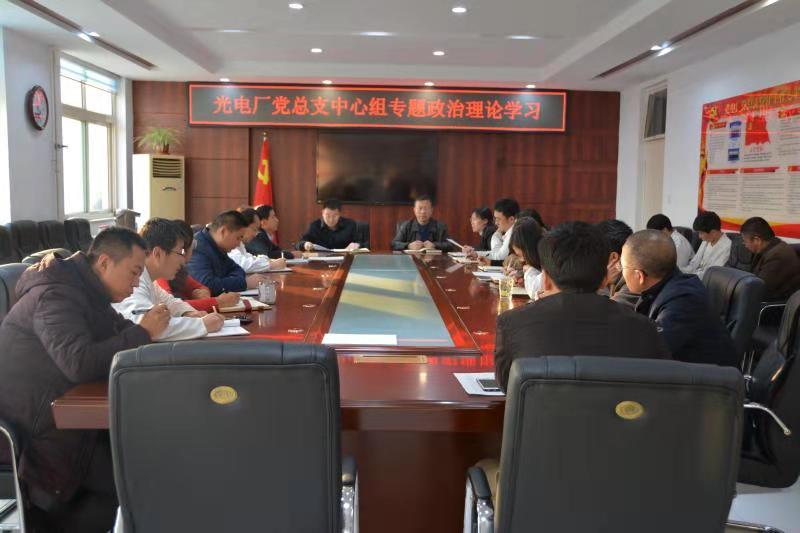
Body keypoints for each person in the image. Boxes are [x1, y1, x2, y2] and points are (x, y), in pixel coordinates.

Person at [0, 228, 170, 532]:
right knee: (141, 477)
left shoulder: (87, 291)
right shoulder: (56, 294)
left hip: (65, 417)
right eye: (133, 272)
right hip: (35, 431)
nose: (136, 283)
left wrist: (151, 341)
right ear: (104, 262)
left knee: (152, 454)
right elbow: (78, 363)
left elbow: (120, 331)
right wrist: (143, 332)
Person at [494, 221, 670, 391]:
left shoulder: (512, 323)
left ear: (545, 280)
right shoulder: (645, 329)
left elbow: (508, 388)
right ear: (604, 279)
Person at [622, 229, 737, 366]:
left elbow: (649, 353)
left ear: (639, 276)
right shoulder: (671, 284)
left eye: (622, 267)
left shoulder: (683, 302)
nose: (620, 271)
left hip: (709, 377)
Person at [114, 218, 225, 341]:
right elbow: (144, 324)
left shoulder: (148, 278)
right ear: (158, 254)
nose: (183, 261)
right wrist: (202, 325)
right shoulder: (133, 281)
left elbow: (170, 302)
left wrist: (188, 313)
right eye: (180, 252)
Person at [155, 220, 240, 312]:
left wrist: (199, 292)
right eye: (180, 251)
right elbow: (170, 306)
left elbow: (199, 287)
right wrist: (218, 302)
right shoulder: (161, 272)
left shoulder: (177, 269)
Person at [188, 210, 269, 295]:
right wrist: (244, 283)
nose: (238, 244)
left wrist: (226, 281)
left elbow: (237, 269)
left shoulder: (218, 246)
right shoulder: (197, 247)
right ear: (223, 232)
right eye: (238, 238)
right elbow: (207, 285)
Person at [740, 216, 800, 301]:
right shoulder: (770, 247)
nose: (744, 244)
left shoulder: (777, 256)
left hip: (776, 305)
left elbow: (758, 289)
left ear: (757, 240)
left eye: (745, 241)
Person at [230, 207, 287, 272]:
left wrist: (269, 261)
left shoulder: (240, 244)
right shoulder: (230, 243)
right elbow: (243, 265)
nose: (255, 234)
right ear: (243, 226)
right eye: (254, 229)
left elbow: (249, 258)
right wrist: (271, 265)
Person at [595, 219, 636, 306]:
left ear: (613, 257)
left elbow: (605, 310)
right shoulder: (619, 278)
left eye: (595, 253)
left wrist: (601, 282)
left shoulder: (634, 284)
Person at [298, 198, 363, 251]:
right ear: (322, 213)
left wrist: (357, 245)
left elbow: (363, 243)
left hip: (345, 259)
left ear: (340, 214)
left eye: (335, 216)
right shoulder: (314, 226)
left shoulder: (350, 225)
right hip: (321, 260)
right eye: (327, 215)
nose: (331, 220)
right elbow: (299, 244)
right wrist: (305, 244)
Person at [681, 211, 731, 280]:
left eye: (701, 233)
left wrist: (689, 277)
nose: (699, 236)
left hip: (707, 281)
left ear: (713, 232)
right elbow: (694, 263)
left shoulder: (727, 246)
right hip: (695, 277)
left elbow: (712, 273)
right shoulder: (707, 240)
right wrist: (681, 271)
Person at [508, 217, 544, 299]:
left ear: (529, 249)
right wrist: (523, 278)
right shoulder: (535, 257)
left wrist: (529, 271)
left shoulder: (548, 255)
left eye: (521, 255)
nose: (521, 260)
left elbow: (534, 290)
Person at [482, 198, 519, 262]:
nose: (496, 223)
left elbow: (498, 256)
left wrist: (496, 234)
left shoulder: (514, 232)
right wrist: (476, 254)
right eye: (495, 219)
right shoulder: (510, 231)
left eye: (498, 219)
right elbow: (495, 253)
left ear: (511, 219)